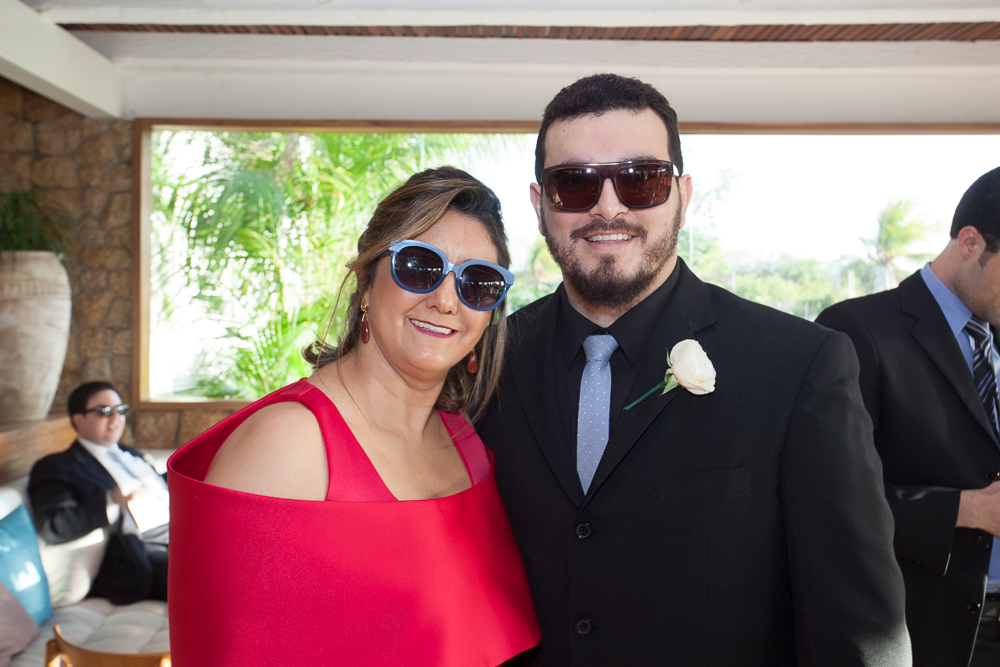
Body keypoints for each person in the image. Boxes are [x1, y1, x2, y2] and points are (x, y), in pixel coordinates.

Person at [475, 73, 911, 665]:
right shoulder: (487, 362)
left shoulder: (800, 366)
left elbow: (860, 632)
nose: (608, 207)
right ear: (539, 204)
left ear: (682, 195)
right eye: (574, 183)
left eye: (641, 180)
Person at [167, 167, 540, 666]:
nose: (446, 301)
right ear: (366, 283)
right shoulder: (288, 443)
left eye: (478, 282)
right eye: (419, 267)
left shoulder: (467, 444)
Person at [817, 166, 1000, 667]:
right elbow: (829, 500)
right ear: (970, 243)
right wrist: (968, 509)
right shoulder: (854, 331)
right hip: (930, 634)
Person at [28, 381, 169, 603]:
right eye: (104, 411)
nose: (115, 418)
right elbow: (54, 526)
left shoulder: (130, 453)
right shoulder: (57, 466)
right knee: (208, 574)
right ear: (79, 420)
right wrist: (112, 499)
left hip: (184, 529)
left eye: (120, 409)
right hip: (142, 547)